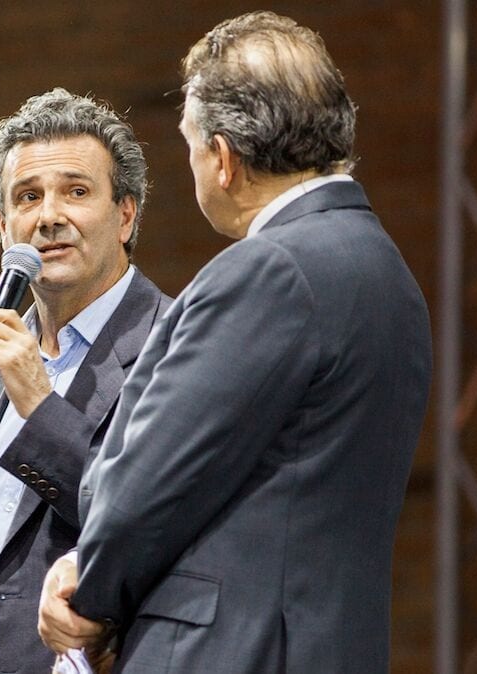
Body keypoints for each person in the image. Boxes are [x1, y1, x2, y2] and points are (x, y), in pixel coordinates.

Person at [37, 11, 432, 674]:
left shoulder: (268, 270)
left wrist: (89, 589)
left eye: (191, 147)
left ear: (222, 158)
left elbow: (150, 480)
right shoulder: (391, 276)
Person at [0, 88, 171, 674]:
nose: (49, 216)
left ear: (126, 215)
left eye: (76, 191)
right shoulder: (5, 353)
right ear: (5, 228)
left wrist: (39, 401)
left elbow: (150, 522)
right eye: (28, 197)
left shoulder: (174, 344)